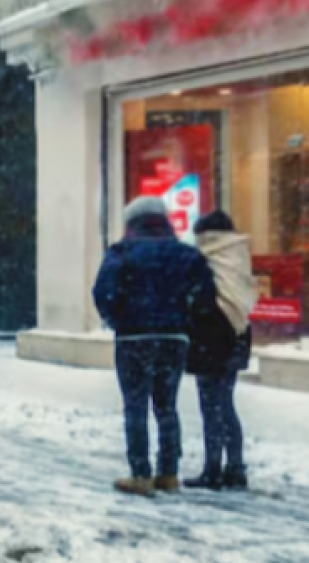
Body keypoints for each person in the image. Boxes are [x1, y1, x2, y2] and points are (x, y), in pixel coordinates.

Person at [93, 196, 216, 496]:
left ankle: (140, 473)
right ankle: (168, 472)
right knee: (166, 406)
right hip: (173, 339)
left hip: (133, 338)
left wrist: (119, 319)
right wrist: (184, 322)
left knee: (135, 405)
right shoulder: (187, 255)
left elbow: (103, 292)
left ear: (132, 222)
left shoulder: (122, 253)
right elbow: (206, 297)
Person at [185, 211, 257, 491]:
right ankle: (235, 468)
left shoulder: (206, 259)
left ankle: (212, 470)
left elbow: (200, 300)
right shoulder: (238, 255)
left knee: (212, 406)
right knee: (225, 403)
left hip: (212, 336)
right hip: (238, 334)